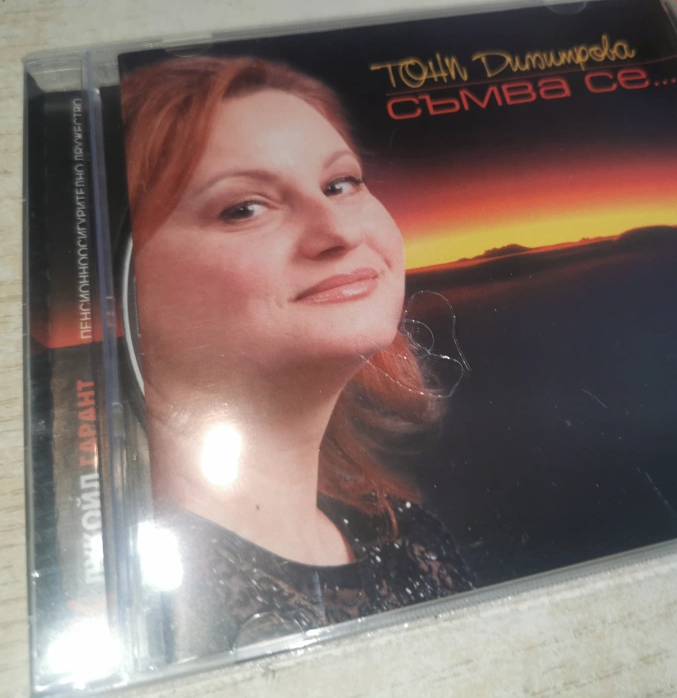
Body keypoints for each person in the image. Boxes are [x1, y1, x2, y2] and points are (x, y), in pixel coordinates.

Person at [120, 56, 472, 659]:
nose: (339, 231)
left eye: (341, 184)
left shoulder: (405, 535)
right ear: (119, 284)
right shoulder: (147, 617)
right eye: (244, 208)